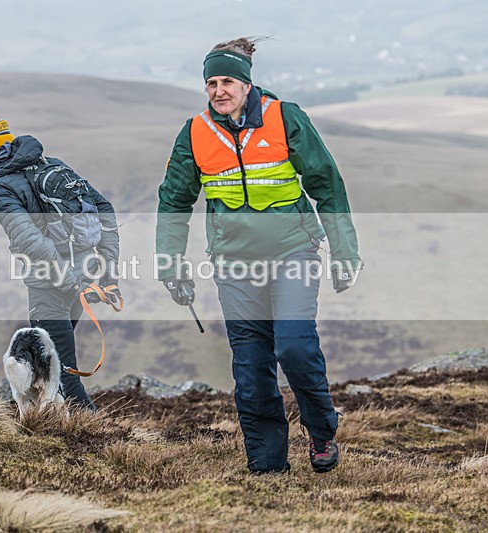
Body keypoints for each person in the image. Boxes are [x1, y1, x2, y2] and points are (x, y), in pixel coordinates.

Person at [155, 38, 361, 474]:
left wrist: (344, 252)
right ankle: (268, 466)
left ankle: (322, 431)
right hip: (234, 264)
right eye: (211, 82)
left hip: (293, 251)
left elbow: (327, 184)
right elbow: (173, 201)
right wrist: (170, 264)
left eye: (227, 80)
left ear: (247, 84)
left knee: (294, 347)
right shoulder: (194, 133)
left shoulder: (284, 118)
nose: (218, 90)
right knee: (250, 369)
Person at [0, 106, 120, 411]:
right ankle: (52, 423)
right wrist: (106, 270)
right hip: (81, 279)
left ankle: (92, 433)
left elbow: (29, 241)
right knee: (56, 362)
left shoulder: (0, 188)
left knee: (61, 369)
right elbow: (104, 208)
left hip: (50, 286)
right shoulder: (53, 166)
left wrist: (68, 281)